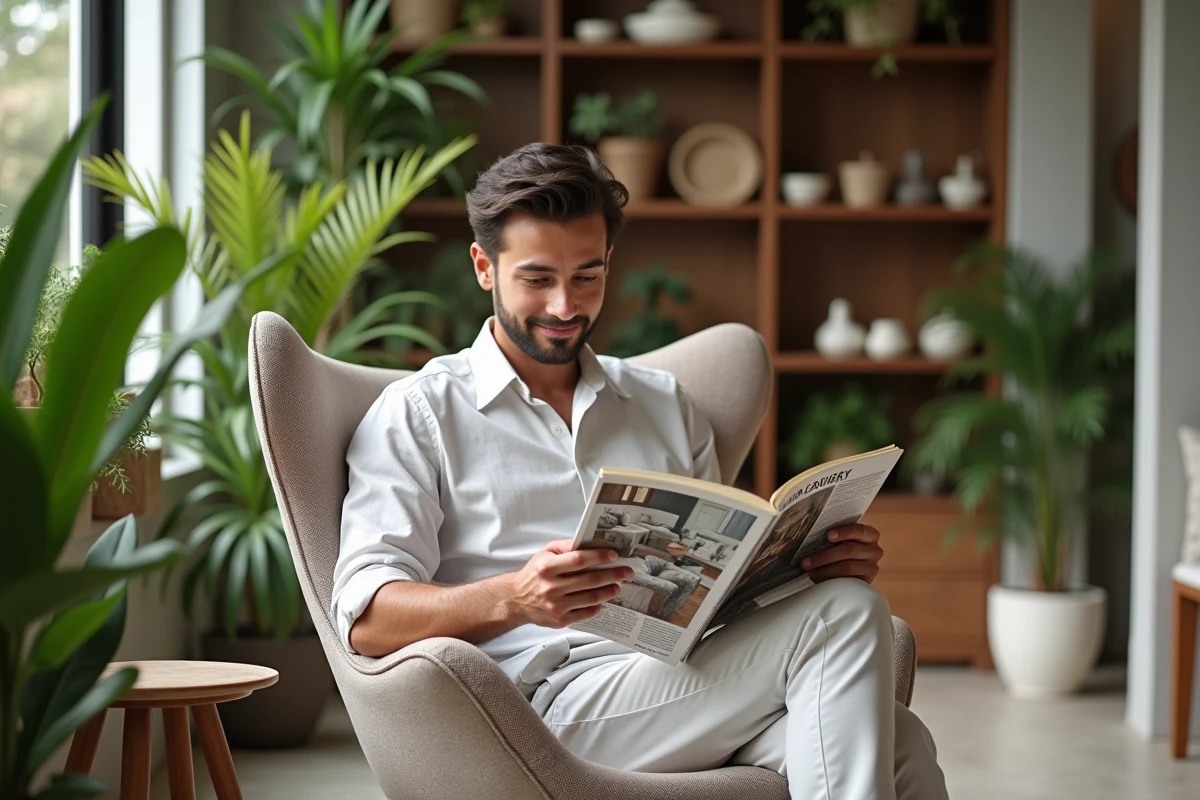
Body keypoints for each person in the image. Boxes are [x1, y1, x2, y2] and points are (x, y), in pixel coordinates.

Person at [331, 143, 949, 800]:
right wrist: (513, 596)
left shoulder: (662, 405)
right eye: (537, 280)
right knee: (843, 615)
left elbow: (721, 588)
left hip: (682, 682)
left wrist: (809, 566)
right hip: (540, 706)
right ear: (485, 267)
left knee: (900, 739)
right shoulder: (420, 413)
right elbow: (366, 618)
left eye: (587, 276)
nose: (564, 306)